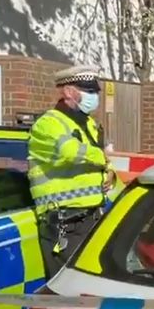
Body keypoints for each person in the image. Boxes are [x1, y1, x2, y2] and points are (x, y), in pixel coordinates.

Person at [28, 65, 119, 276]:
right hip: (64, 221)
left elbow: (97, 156)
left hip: (90, 218)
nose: (94, 96)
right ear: (69, 91)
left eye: (95, 91)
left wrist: (110, 170)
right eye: (88, 91)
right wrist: (105, 158)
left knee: (92, 287)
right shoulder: (48, 123)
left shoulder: (88, 123)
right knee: (71, 290)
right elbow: (69, 151)